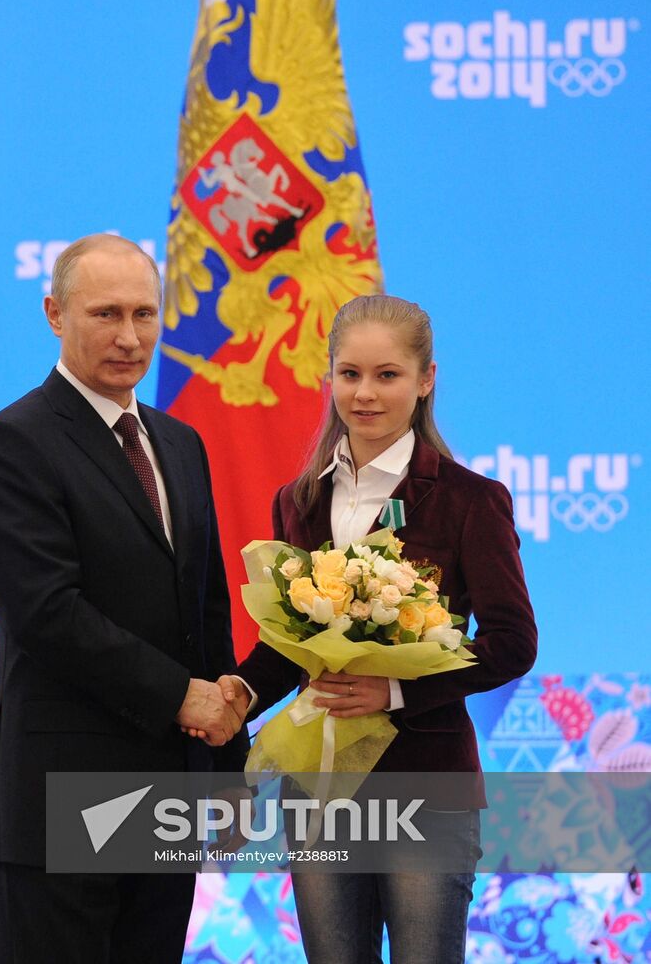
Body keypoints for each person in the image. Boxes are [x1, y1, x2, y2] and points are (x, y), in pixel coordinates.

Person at [222, 294, 538, 963]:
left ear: (425, 381)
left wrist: (393, 692)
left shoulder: (468, 501)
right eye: (349, 374)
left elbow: (511, 643)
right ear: (329, 377)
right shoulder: (298, 500)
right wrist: (239, 695)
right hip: (319, 786)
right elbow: (289, 645)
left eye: (387, 375)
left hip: (426, 782)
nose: (365, 394)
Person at [0, 233, 248, 964]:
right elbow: (48, 614)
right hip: (64, 802)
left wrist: (227, 771)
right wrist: (177, 696)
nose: (129, 337)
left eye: (145, 315)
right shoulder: (13, 442)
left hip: (169, 798)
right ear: (54, 313)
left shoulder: (179, 441)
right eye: (105, 314)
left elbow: (204, 610)